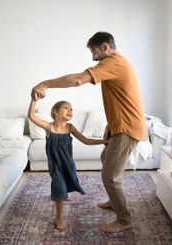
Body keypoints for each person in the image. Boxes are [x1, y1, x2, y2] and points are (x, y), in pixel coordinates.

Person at [31, 31, 146, 233]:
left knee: (110, 176)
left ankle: (124, 219)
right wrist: (110, 126)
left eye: (94, 51)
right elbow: (121, 100)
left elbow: (77, 80)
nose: (93, 57)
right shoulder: (117, 64)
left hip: (127, 129)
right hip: (121, 126)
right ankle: (113, 200)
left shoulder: (114, 62)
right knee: (105, 157)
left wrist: (46, 84)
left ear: (105, 47)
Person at [28, 99, 107, 232]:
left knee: (68, 182)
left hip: (68, 164)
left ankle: (63, 193)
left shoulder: (70, 128)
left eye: (71, 109)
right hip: (55, 165)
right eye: (66, 108)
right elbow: (31, 116)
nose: (70, 111)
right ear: (55, 112)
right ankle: (59, 218)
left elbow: (86, 140)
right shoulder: (49, 127)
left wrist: (103, 141)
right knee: (59, 184)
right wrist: (34, 100)